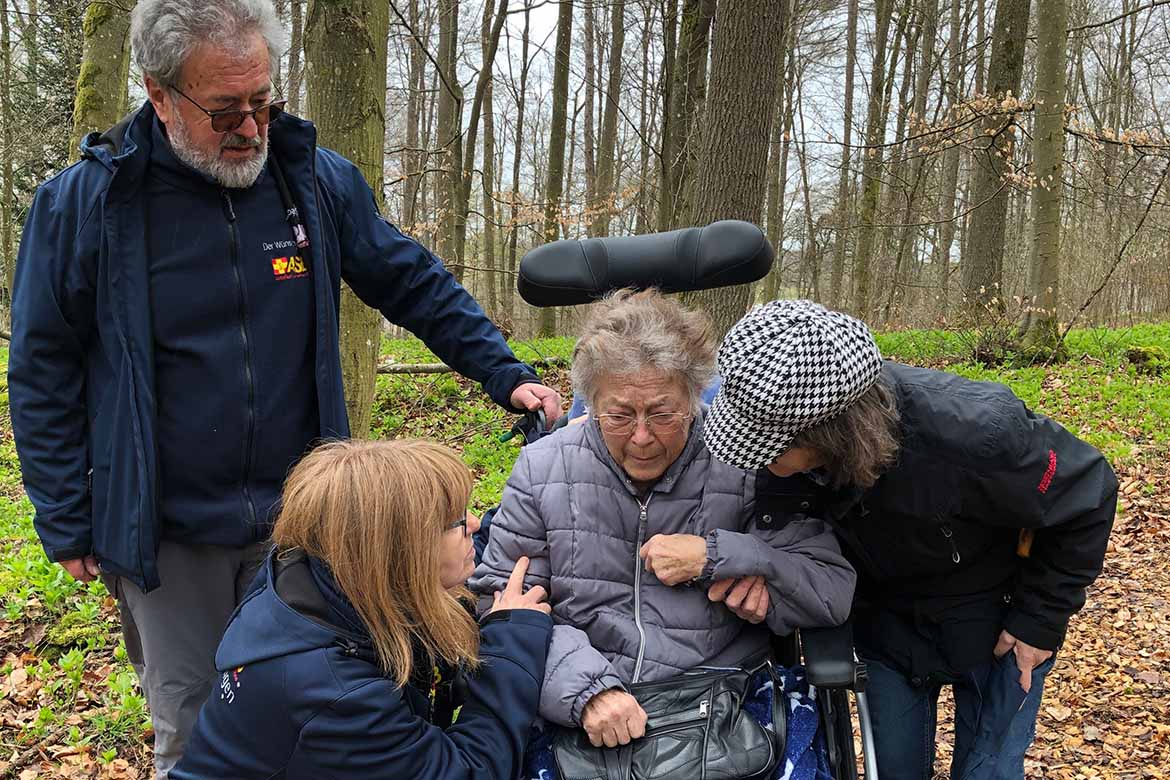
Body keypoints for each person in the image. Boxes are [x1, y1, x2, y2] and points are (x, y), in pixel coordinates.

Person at [6, 1, 560, 775]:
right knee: (199, 728)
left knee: (338, 705)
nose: (250, 128)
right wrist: (65, 518)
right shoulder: (86, 205)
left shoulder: (311, 183)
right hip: (169, 533)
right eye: (225, 109)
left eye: (264, 103)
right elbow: (42, 365)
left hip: (308, 527)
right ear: (158, 94)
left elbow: (411, 281)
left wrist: (506, 374)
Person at [703, 300, 1118, 780]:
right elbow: (780, 521)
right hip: (886, 624)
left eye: (770, 447)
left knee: (989, 770)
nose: (760, 459)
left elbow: (1089, 493)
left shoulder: (978, 432)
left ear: (829, 434)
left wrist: (1041, 621)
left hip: (995, 618)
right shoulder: (788, 446)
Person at [469, 289, 856, 751]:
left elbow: (829, 591)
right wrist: (586, 689)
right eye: (618, 415)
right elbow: (501, 607)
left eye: (662, 413)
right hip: (581, 706)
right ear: (590, 403)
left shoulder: (744, 461)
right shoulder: (542, 468)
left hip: (722, 700)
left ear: (694, 398)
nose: (641, 437)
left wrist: (734, 558)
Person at [168, 439, 553, 779]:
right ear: (401, 550)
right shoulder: (334, 693)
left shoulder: (313, 573)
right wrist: (510, 643)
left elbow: (471, 546)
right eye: (455, 521)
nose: (472, 522)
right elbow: (468, 770)